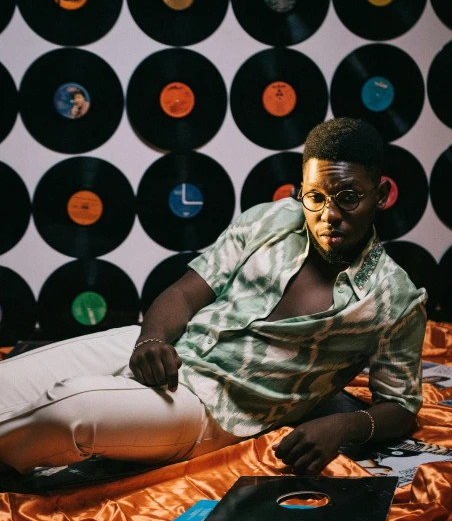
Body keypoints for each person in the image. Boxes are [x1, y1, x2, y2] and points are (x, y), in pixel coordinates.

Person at [0, 117, 427, 476]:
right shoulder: (270, 219)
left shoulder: (395, 299)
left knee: (68, 412)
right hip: (165, 350)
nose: (329, 215)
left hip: (209, 409)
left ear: (382, 194)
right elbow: (185, 294)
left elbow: (401, 407)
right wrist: (152, 339)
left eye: (348, 198)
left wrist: (344, 425)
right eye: (315, 197)